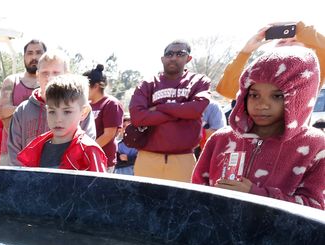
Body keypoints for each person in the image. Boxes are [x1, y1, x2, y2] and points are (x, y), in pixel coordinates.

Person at [192, 47, 325, 209]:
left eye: (277, 96)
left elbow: (316, 207)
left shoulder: (317, 147)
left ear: (300, 97)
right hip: (216, 233)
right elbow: (196, 194)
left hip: (276, 235)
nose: (262, 105)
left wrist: (256, 194)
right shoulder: (221, 139)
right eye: (254, 95)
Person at [129, 40, 211, 182]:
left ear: (188, 58)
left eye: (180, 53)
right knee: (143, 203)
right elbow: (137, 117)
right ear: (162, 59)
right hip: (148, 157)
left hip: (183, 159)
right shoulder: (148, 83)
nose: (173, 57)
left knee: (182, 204)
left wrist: (159, 108)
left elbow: (196, 109)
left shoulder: (199, 81)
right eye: (169, 54)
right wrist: (180, 112)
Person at [7, 51, 96, 166]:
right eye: (45, 73)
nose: (50, 78)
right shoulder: (22, 110)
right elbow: (14, 153)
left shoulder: (81, 109)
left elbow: (87, 146)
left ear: (67, 74)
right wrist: (26, 179)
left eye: (56, 73)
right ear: (37, 75)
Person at [16, 74, 107, 172]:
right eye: (52, 112)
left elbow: (100, 186)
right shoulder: (36, 148)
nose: (58, 119)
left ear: (83, 112)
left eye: (67, 112)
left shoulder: (89, 150)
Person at [216, 22, 325, 100]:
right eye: (281, 42)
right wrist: (245, 52)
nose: (287, 44)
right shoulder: (261, 75)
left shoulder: (313, 73)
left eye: (294, 41)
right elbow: (227, 90)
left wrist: (300, 28)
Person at [0, 39, 46, 165]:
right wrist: (31, 107)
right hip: (11, 153)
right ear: (24, 57)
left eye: (38, 53)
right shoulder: (12, 81)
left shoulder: (51, 83)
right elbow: (3, 112)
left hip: (45, 152)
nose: (34, 57)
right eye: (29, 53)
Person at [83, 64, 124, 172]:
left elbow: (108, 135)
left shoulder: (111, 104)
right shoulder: (87, 104)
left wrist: (86, 150)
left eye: (84, 87)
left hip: (102, 160)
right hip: (85, 159)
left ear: (96, 86)